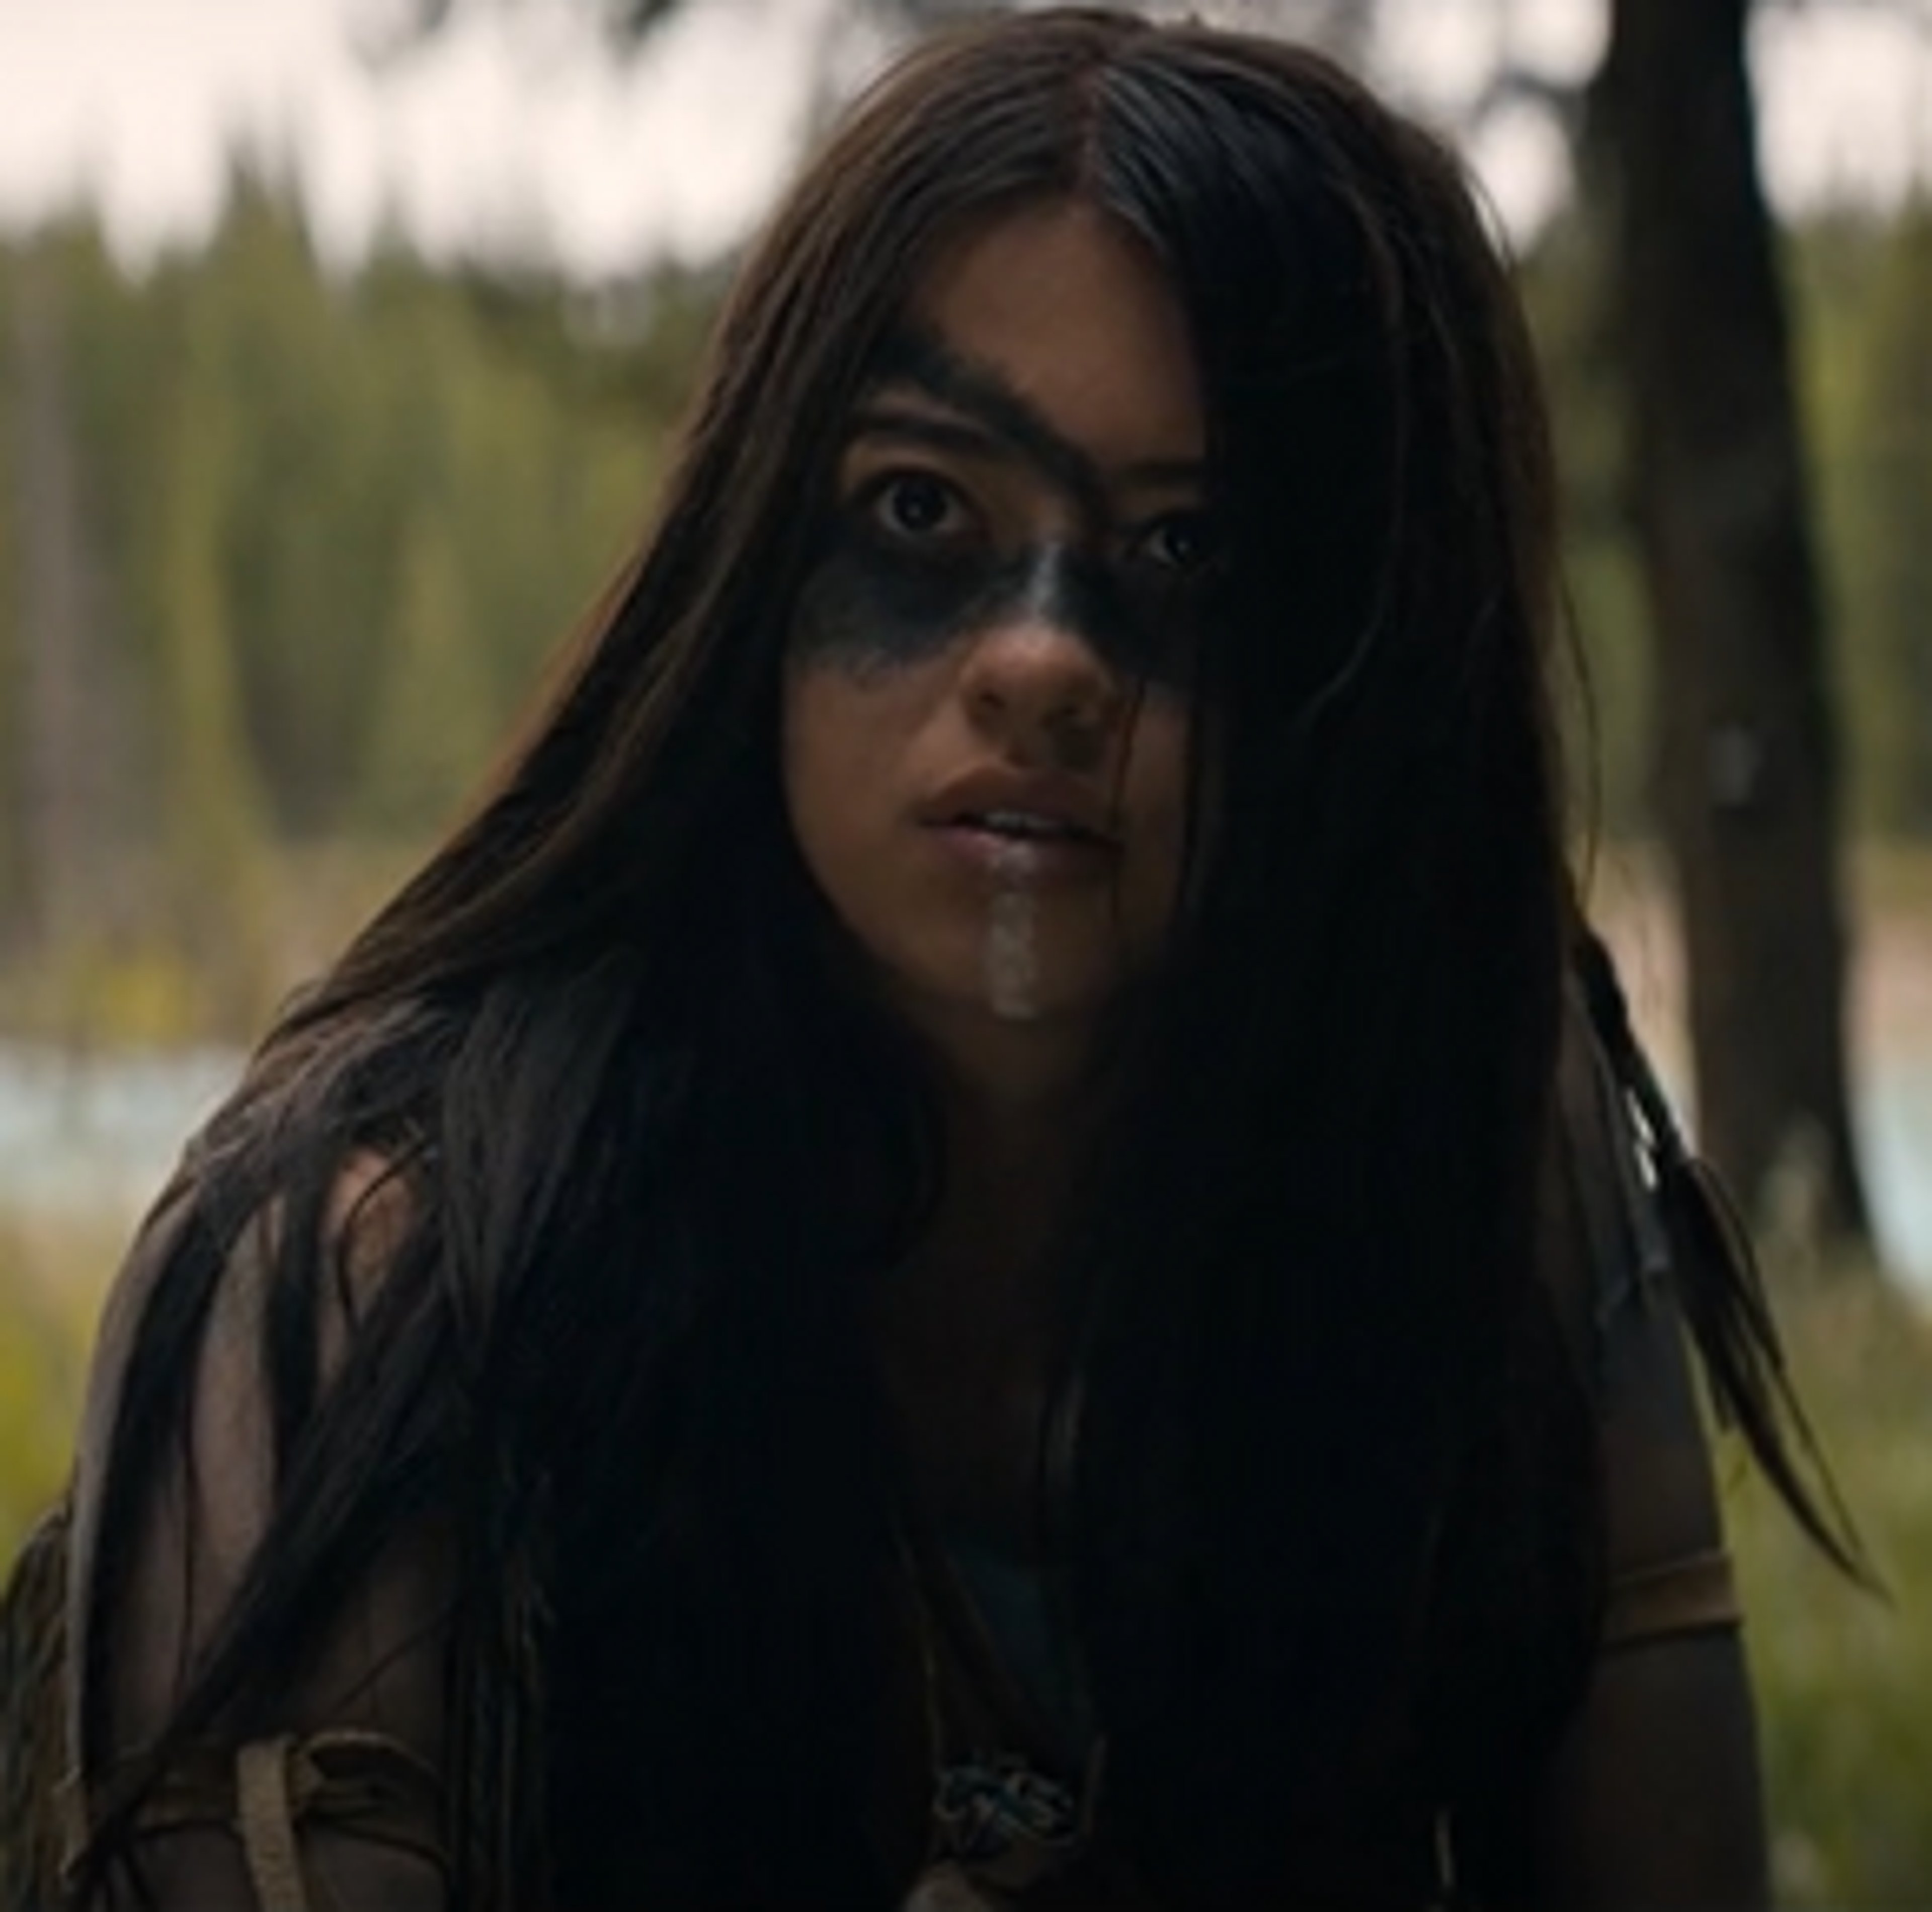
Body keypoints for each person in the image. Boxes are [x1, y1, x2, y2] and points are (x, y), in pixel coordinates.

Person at [24, 8, 1855, 1907]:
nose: (1045, 661)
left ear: (1367, 676)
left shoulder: (1484, 1143)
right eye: (923, 510)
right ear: (749, 573)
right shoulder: (367, 1267)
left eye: (1194, 554)